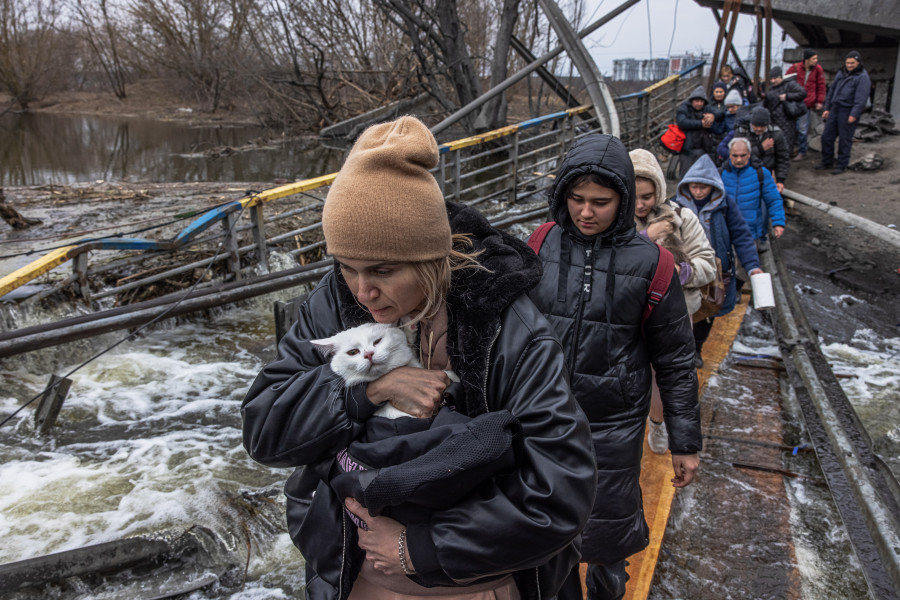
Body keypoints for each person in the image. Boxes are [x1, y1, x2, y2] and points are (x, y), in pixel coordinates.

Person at [241, 116, 597, 600]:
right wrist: (367, 393)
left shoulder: (510, 328)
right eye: (347, 267)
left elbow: (560, 492)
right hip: (353, 576)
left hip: (473, 585)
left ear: (431, 259)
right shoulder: (334, 304)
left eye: (384, 271)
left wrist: (419, 547)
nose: (364, 291)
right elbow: (264, 432)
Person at [527, 133, 702, 600]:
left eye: (600, 202)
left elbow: (676, 360)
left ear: (623, 200)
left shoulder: (653, 264)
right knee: (545, 534)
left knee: (606, 535)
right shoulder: (540, 244)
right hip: (541, 417)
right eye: (576, 199)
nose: (586, 212)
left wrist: (685, 442)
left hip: (613, 423)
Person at [630, 148, 716, 454]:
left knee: (660, 374)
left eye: (648, 196)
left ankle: (657, 422)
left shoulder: (682, 218)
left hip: (674, 313)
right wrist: (647, 237)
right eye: (634, 196)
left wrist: (679, 272)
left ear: (659, 191)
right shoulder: (612, 219)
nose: (640, 205)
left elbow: (708, 264)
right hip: (628, 313)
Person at [672, 154, 762, 361]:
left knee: (708, 309)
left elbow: (741, 235)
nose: (699, 191)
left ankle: (696, 350)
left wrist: (752, 266)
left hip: (715, 269)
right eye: (694, 186)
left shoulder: (724, 206)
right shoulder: (676, 205)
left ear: (713, 186)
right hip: (684, 267)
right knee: (682, 308)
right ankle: (679, 350)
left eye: (703, 187)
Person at [720, 137, 786, 246]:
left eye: (743, 155)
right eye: (735, 156)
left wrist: (778, 222)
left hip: (750, 233)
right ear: (729, 155)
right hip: (726, 233)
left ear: (749, 154)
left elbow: (773, 199)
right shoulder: (720, 174)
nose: (739, 159)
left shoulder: (761, 173)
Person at [817, 50, 872, 175]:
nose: (850, 65)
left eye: (852, 63)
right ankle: (827, 162)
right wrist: (827, 108)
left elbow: (861, 99)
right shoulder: (841, 73)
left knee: (844, 140)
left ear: (858, 62)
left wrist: (854, 114)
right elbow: (831, 91)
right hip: (835, 108)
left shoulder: (862, 77)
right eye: (848, 63)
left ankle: (842, 165)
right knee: (826, 137)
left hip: (848, 111)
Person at [717, 106, 790, 192]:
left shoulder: (776, 134)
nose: (759, 129)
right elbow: (739, 156)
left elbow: (783, 157)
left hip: (766, 173)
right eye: (756, 126)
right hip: (745, 173)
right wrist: (760, 148)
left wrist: (780, 180)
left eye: (762, 126)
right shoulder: (742, 132)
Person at [786, 49, 826, 160]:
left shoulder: (818, 70)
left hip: (806, 103)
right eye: (814, 59)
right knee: (791, 127)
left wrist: (819, 101)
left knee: (802, 128)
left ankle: (802, 151)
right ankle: (790, 150)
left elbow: (821, 86)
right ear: (806, 60)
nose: (816, 61)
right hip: (794, 102)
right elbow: (786, 81)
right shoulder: (795, 68)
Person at [676, 85, 722, 177]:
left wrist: (713, 116)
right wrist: (700, 124)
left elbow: (720, 113)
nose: (699, 104)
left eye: (701, 101)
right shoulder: (684, 108)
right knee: (686, 176)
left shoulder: (707, 108)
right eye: (697, 101)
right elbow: (682, 122)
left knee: (701, 176)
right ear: (692, 101)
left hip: (703, 149)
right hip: (687, 150)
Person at [762, 66, 807, 161]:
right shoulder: (771, 89)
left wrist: (787, 96)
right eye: (771, 79)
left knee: (785, 145)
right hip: (773, 120)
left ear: (781, 77)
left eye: (775, 78)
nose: (773, 81)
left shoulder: (790, 85)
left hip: (787, 120)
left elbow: (803, 93)